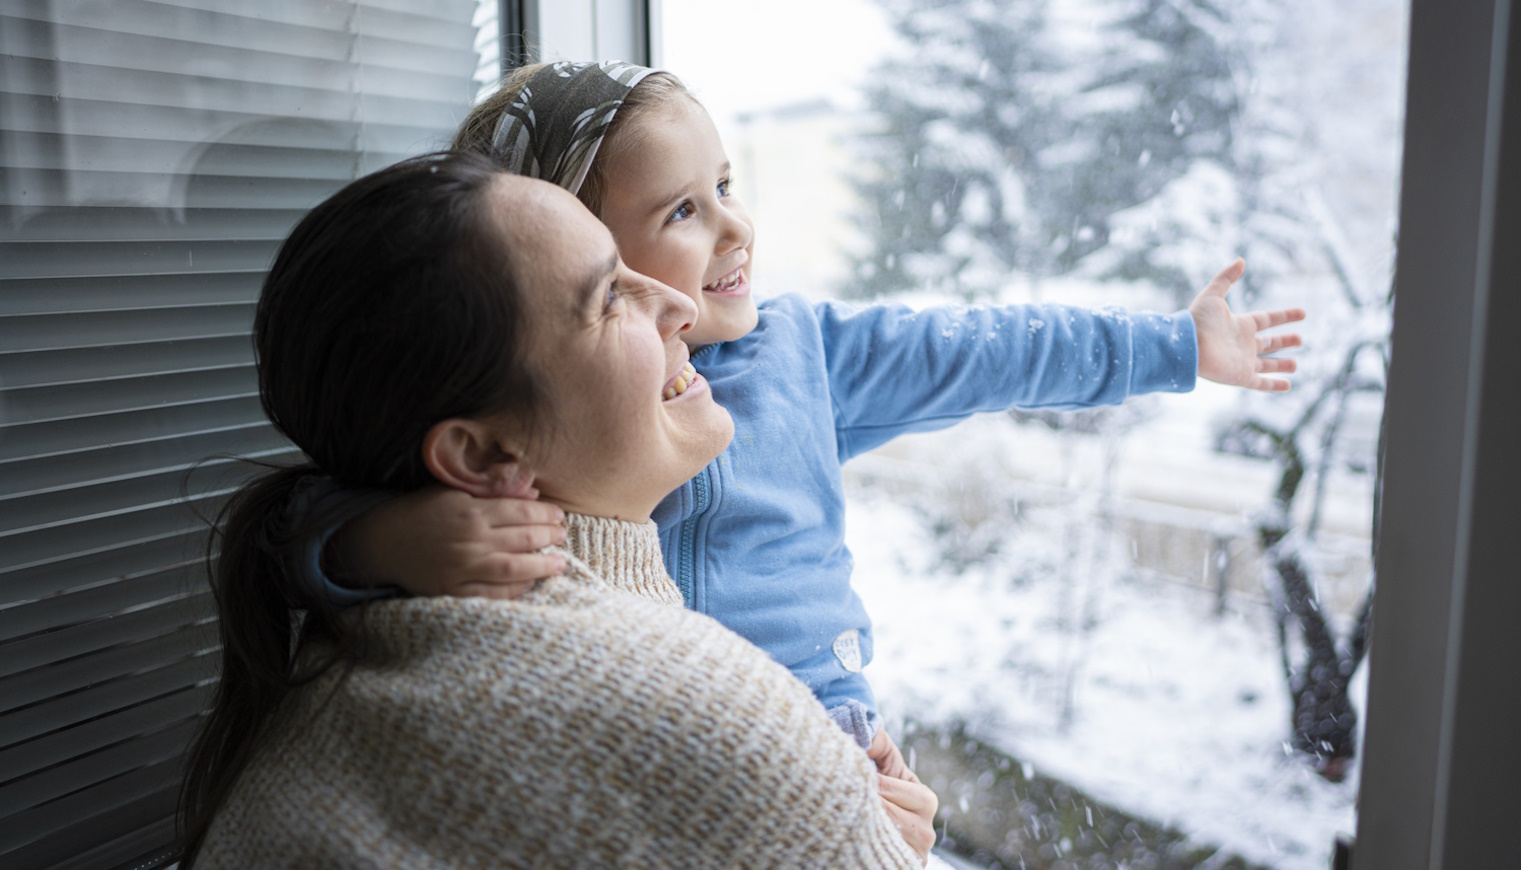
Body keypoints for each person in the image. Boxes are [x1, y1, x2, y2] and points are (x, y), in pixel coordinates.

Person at [312, 61, 1304, 768]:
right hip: (645, 749)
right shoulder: (526, 415)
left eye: (727, 187)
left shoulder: (803, 355)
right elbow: (293, 525)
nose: (737, 225)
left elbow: (985, 351)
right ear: (569, 249)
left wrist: (1173, 349)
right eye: (682, 212)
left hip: (824, 742)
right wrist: (379, 541)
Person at [179, 152, 935, 868]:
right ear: (480, 457)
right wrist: (882, 844)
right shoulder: (695, 712)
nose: (677, 303)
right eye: (609, 296)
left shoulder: (366, 625)